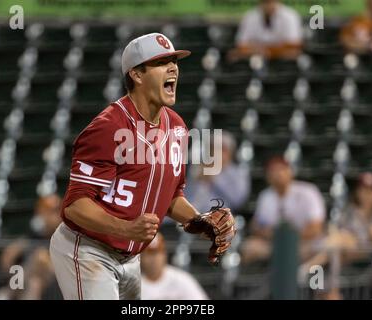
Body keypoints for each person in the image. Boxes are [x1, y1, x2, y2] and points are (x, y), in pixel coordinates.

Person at [49, 33, 235, 300]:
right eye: (161, 62)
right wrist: (125, 229)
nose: (173, 68)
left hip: (131, 257)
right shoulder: (108, 127)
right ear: (136, 75)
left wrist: (199, 221)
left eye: (174, 61)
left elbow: (171, 197)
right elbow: (75, 206)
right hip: (88, 249)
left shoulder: (177, 127)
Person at [241, 156, 325, 264]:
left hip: (303, 244)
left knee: (323, 247)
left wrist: (288, 237)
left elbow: (316, 228)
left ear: (290, 172)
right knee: (249, 247)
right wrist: (267, 233)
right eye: (272, 171)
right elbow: (256, 226)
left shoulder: (308, 192)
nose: (277, 174)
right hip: (274, 245)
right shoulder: (265, 196)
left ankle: (303, 276)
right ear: (267, 177)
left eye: (281, 169)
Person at [0, 194, 63, 300]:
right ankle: (11, 292)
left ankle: (8, 294)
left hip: (58, 280)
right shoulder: (33, 236)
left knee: (40, 258)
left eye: (52, 211)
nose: (46, 215)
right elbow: (6, 261)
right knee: (34, 283)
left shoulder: (64, 235)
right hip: (31, 284)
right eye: (42, 211)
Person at [185, 130, 250, 214]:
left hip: (220, 219)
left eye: (222, 149)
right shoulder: (199, 167)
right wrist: (197, 178)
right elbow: (186, 195)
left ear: (230, 152)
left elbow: (238, 201)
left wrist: (215, 179)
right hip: (193, 215)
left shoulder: (239, 173)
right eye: (213, 148)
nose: (216, 152)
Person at [227, 0, 303, 62]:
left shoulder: (290, 16)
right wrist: (262, 51)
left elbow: (294, 45)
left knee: (292, 54)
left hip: (282, 60)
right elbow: (241, 45)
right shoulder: (250, 16)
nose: (268, 4)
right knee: (233, 55)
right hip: (254, 59)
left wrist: (267, 51)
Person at [141, 233, 208, 300]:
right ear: (140, 257)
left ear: (164, 254)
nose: (154, 259)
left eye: (157, 253)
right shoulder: (135, 284)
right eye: (149, 254)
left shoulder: (182, 279)